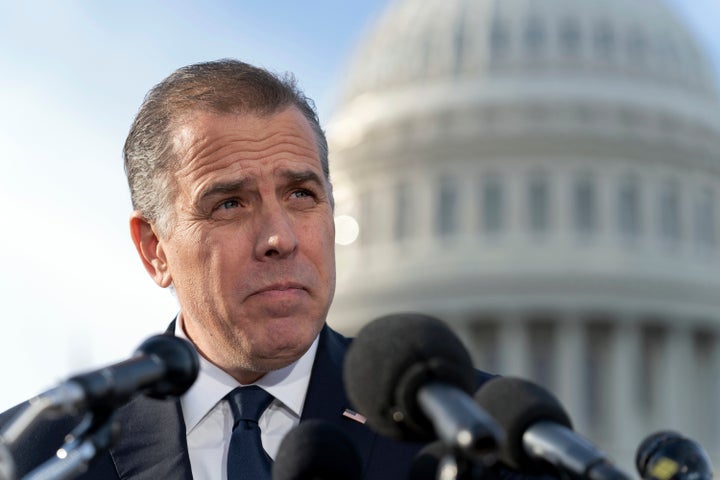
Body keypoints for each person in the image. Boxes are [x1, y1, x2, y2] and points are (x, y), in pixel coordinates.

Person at [0, 59, 505, 480]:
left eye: (301, 194)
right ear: (154, 248)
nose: (280, 238)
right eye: (230, 204)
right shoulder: (32, 455)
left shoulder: (482, 436)